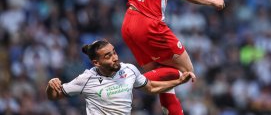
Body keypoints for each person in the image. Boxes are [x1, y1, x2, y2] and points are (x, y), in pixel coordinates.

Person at [46, 40, 195, 115]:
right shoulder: (85, 79)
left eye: (114, 52)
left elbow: (151, 87)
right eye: (108, 56)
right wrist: (51, 86)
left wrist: (178, 81)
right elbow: (54, 96)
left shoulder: (129, 69)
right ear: (96, 62)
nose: (115, 58)